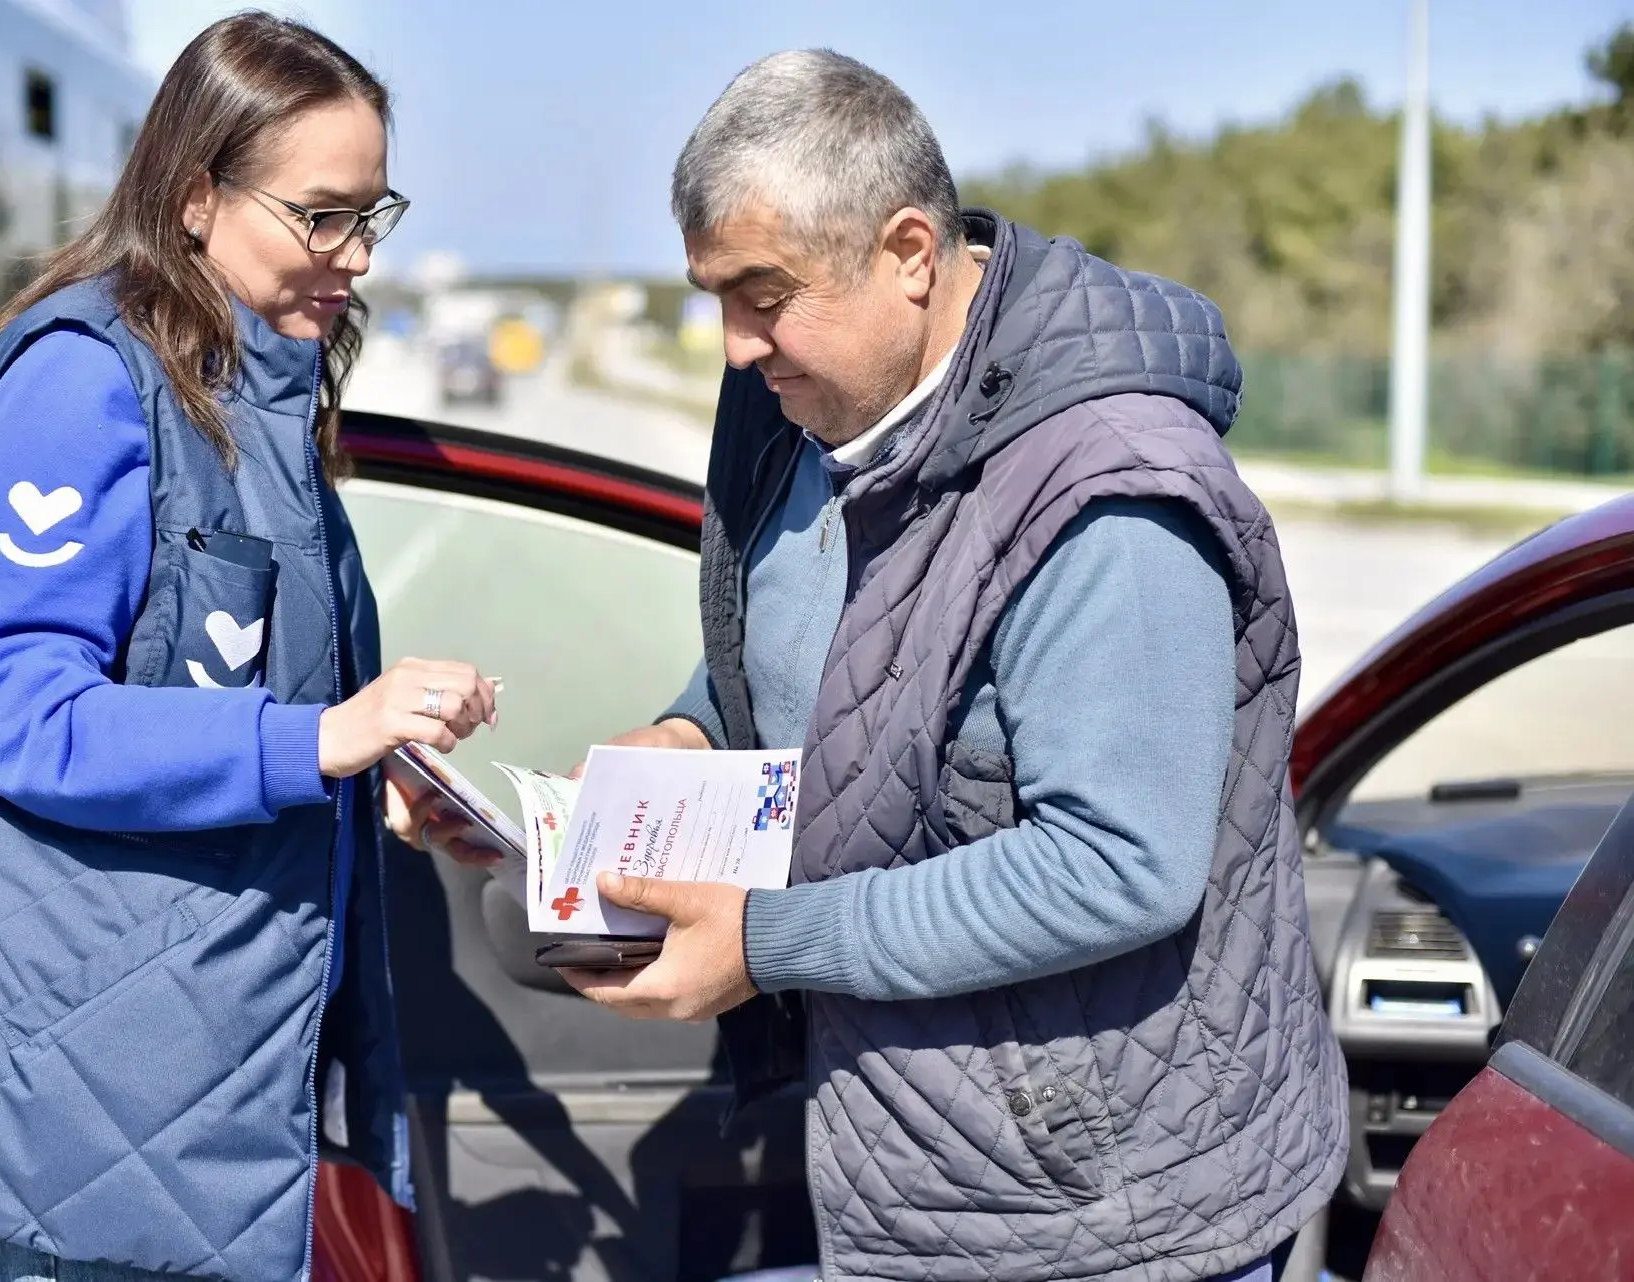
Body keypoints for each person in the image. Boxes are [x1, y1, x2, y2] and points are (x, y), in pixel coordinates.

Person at [557, 50, 1348, 1282]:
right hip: (922, 1181)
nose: (732, 345)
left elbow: (1120, 866)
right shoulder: (813, 411)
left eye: (763, 295)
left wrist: (766, 945)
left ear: (911, 254)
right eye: (715, 294)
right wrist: (690, 732)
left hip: (1102, 1218)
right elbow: (816, 649)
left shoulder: (1108, 497)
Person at [0, 16, 496, 1282]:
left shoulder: (252, 391)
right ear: (194, 198)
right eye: (321, 216)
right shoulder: (84, 385)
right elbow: (23, 715)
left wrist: (375, 769)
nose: (354, 256)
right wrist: (321, 737)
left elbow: (234, 689)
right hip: (77, 1101)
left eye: (372, 214)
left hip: (169, 1080)